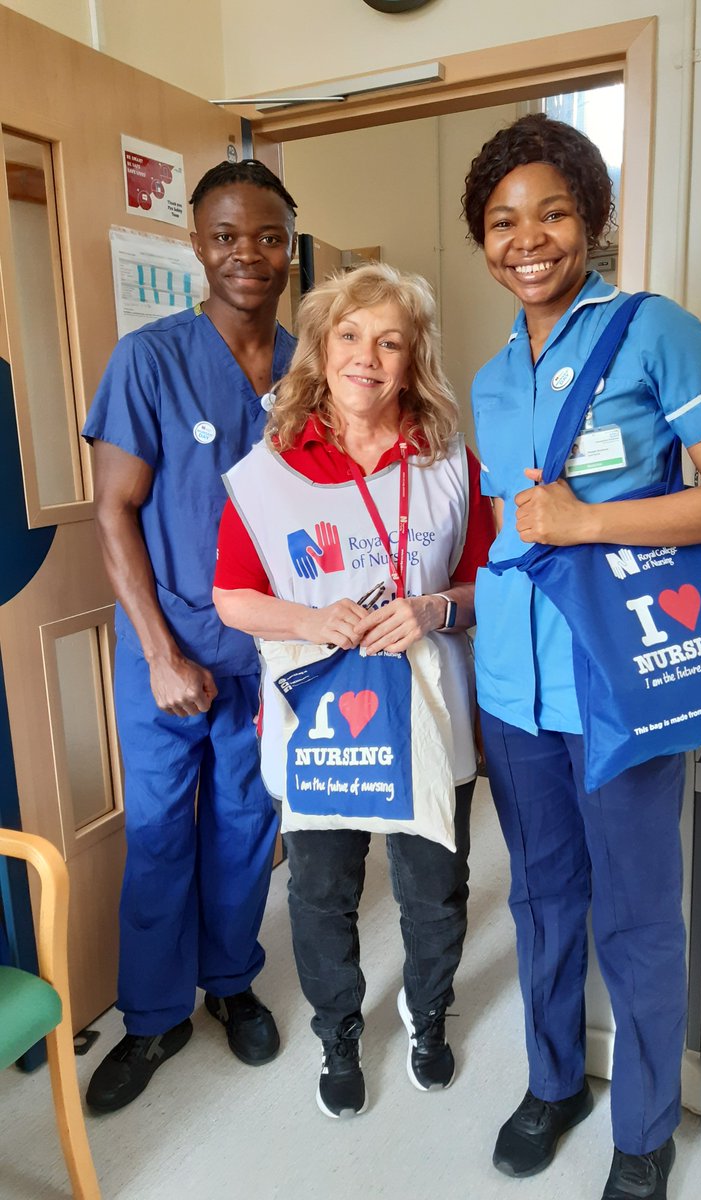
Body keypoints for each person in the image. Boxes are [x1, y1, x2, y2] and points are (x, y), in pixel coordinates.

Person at [462, 113, 701, 1199]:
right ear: (484, 242)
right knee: (543, 898)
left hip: (623, 676)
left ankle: (643, 1127)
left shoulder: (654, 332)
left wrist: (587, 523)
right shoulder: (491, 378)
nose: (528, 237)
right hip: (512, 684)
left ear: (591, 218)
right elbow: (507, 528)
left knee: (639, 912)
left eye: (551, 211)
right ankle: (555, 1081)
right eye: (502, 221)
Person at [212, 261, 495, 1119]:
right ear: (320, 348)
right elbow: (232, 596)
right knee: (320, 890)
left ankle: (428, 1011)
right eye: (349, 335)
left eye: (390, 342)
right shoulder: (267, 473)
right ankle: (338, 1028)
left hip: (428, 713)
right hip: (321, 716)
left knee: (435, 886)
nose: (367, 357)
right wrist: (309, 621)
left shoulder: (450, 465)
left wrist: (436, 605)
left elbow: (490, 585)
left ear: (412, 361)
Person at [82, 159, 299, 1113]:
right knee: (163, 831)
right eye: (225, 236)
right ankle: (152, 1016)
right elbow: (112, 511)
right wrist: (164, 653)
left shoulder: (312, 370)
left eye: (266, 236)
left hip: (269, 647)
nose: (246, 254)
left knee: (249, 827)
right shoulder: (150, 358)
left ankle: (231, 982)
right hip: (167, 643)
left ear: (289, 246)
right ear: (196, 247)